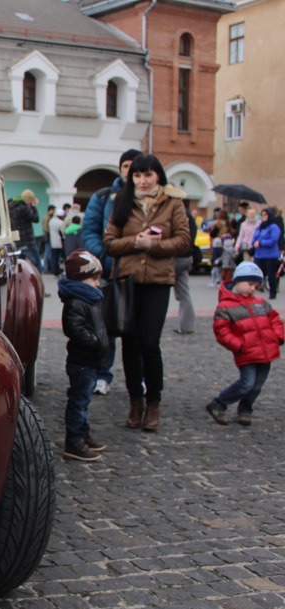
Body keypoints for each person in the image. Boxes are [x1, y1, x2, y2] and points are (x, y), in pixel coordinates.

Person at [103, 153, 190, 431]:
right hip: (128, 281)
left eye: (147, 175)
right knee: (129, 342)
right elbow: (109, 242)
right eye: (137, 175)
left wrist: (154, 246)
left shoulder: (173, 203)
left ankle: (153, 403)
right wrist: (135, 242)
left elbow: (184, 241)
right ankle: (135, 401)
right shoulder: (122, 201)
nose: (141, 180)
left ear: (158, 177)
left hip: (157, 281)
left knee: (150, 342)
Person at [81, 148, 142, 396]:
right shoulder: (105, 197)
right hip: (111, 270)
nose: (130, 171)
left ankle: (139, 378)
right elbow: (90, 231)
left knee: (139, 332)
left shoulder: (152, 199)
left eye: (136, 167)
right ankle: (103, 375)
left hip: (141, 273)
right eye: (126, 166)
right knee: (107, 326)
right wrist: (106, 258)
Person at [206, 261, 284, 427]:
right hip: (246, 353)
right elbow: (222, 332)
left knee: (257, 385)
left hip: (266, 351)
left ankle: (245, 409)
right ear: (238, 281)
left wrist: (277, 337)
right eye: (250, 284)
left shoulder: (260, 303)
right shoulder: (225, 306)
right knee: (246, 384)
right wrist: (239, 345)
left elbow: (275, 320)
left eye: (256, 285)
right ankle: (219, 404)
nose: (253, 289)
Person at [58, 249, 109, 462]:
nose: (98, 284)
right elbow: (74, 329)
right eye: (94, 278)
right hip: (82, 360)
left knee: (84, 399)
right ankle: (74, 440)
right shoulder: (77, 301)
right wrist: (95, 342)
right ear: (81, 277)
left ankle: (83, 434)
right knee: (78, 400)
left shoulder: (90, 298)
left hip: (91, 359)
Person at [172, 206, 197, 335]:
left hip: (174, 256)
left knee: (158, 290)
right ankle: (187, 326)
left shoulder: (173, 211)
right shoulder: (187, 214)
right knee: (184, 293)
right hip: (186, 256)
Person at [253, 207, 283, 299]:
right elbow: (255, 237)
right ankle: (252, 291)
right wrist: (253, 243)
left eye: (265, 215)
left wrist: (261, 243)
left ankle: (272, 292)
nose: (263, 217)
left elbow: (273, 240)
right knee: (256, 273)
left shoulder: (274, 227)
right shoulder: (260, 226)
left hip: (270, 255)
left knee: (271, 275)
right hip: (259, 254)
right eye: (262, 215)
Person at [8, 189, 41, 270]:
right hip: (28, 242)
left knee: (18, 266)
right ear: (29, 200)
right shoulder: (24, 208)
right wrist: (33, 206)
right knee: (37, 265)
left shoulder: (11, 207)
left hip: (17, 241)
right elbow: (36, 219)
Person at [47, 206, 65, 275]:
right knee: (62, 257)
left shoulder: (51, 221)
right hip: (60, 242)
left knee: (54, 257)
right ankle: (60, 270)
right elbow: (62, 232)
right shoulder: (60, 222)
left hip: (53, 241)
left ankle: (54, 270)